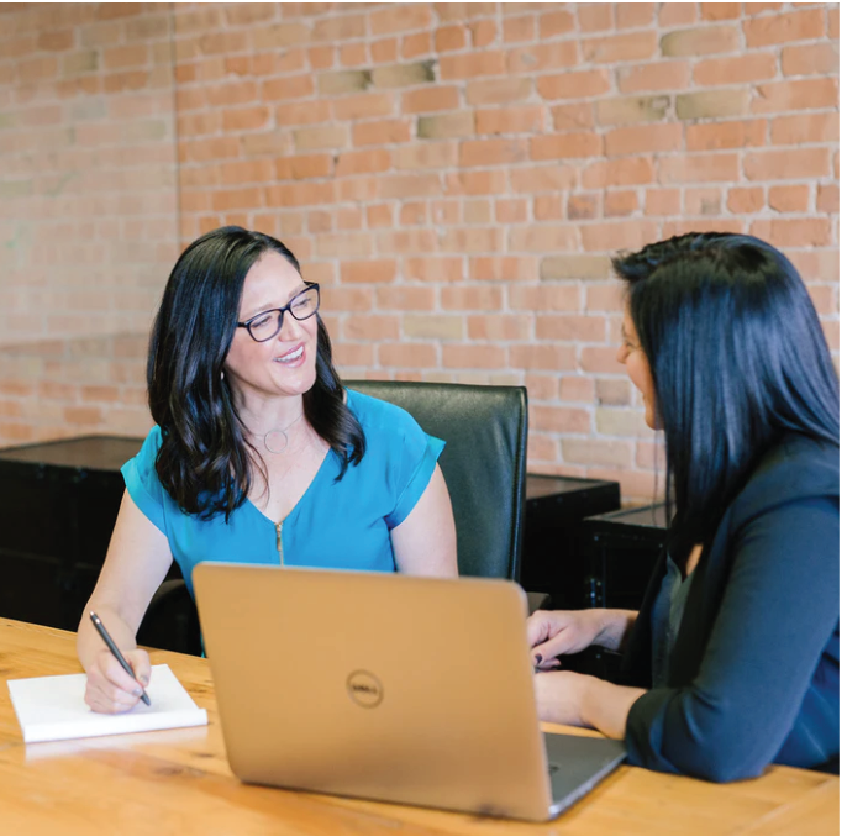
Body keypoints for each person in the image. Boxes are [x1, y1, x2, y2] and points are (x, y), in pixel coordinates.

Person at [79, 226, 457, 713]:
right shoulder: (173, 459)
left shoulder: (391, 441)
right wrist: (107, 667)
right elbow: (110, 608)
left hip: (379, 713)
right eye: (264, 319)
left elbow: (445, 626)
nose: (297, 329)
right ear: (211, 345)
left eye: (301, 302)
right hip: (234, 724)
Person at [528, 232, 839, 781]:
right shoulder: (735, 474)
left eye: (632, 343)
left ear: (692, 362)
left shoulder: (802, 504)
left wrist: (578, 698)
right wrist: (599, 626)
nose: (619, 357)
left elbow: (718, 736)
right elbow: (730, 635)